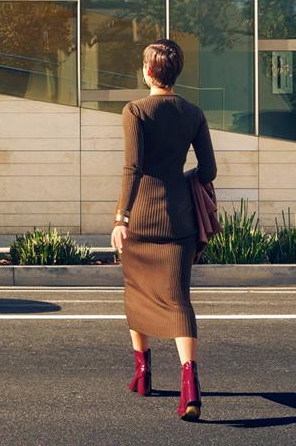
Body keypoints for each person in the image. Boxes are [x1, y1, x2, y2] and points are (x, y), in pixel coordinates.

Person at [111, 38, 217, 422]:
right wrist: (181, 177)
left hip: (141, 218)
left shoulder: (135, 110)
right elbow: (208, 172)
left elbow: (132, 168)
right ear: (175, 73)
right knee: (179, 300)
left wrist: (121, 218)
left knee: (137, 293)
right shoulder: (193, 112)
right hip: (180, 220)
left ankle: (144, 373)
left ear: (147, 72)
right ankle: (190, 385)